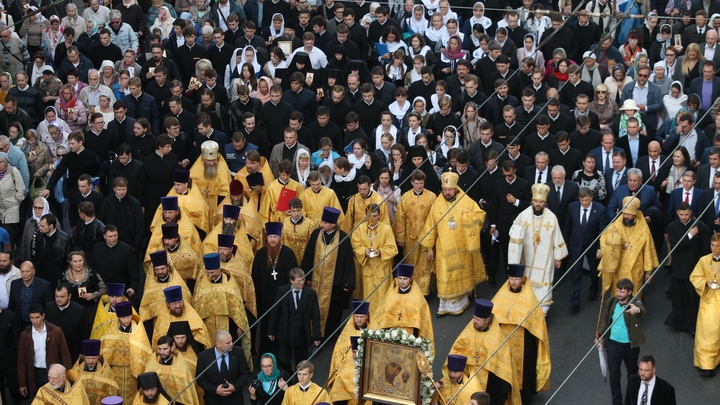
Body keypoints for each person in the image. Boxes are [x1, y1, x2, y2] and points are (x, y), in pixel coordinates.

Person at [421, 171, 485, 315]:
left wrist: (469, 218)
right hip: (443, 247)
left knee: (461, 273)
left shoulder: (465, 200)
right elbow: (431, 226)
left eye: (450, 190)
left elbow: (480, 214)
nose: (447, 192)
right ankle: (445, 306)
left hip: (463, 246)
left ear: (456, 188)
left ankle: (462, 299)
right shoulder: (437, 204)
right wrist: (429, 248)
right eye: (445, 190)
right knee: (445, 273)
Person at [491, 264, 551, 400]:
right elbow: (492, 315)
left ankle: (524, 396)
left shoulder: (529, 298)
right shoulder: (501, 296)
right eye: (511, 279)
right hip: (504, 340)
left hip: (524, 340)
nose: (513, 282)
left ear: (522, 279)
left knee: (525, 368)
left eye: (516, 279)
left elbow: (537, 321)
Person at [507, 183, 568, 314]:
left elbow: (557, 236)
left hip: (545, 259)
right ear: (532, 201)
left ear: (545, 203)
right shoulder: (523, 216)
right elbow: (513, 232)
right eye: (535, 201)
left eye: (541, 201)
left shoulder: (552, 217)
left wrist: (558, 257)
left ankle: (542, 312)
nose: (538, 204)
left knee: (544, 280)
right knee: (526, 281)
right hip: (526, 257)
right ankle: (526, 309)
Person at [447, 299, 519, 404]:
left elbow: (503, 363)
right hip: (469, 378)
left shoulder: (496, 338)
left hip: (490, 381)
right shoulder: (467, 333)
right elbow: (456, 352)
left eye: (477, 319)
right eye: (474, 318)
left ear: (487, 320)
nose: (474, 321)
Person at [301, 207, 356, 338]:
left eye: (325, 223)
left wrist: (347, 282)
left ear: (333, 224)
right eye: (322, 222)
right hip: (315, 281)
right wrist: (307, 275)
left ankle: (330, 335)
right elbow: (308, 255)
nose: (322, 225)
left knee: (334, 311)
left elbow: (348, 261)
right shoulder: (316, 234)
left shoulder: (343, 238)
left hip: (334, 284)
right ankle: (313, 334)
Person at [194, 252, 252, 365]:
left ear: (219, 269)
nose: (210, 275)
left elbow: (237, 308)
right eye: (208, 272)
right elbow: (197, 307)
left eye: (212, 272)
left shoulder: (230, 284)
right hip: (209, 324)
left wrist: (240, 326)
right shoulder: (202, 284)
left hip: (228, 324)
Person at [597, 278, 646, 405]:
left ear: (629, 292)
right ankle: (617, 401)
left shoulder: (635, 302)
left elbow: (642, 310)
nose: (619, 294)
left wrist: (637, 310)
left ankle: (631, 400)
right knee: (614, 375)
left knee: (632, 374)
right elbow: (605, 318)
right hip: (613, 345)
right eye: (618, 290)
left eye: (622, 292)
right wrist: (600, 335)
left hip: (630, 345)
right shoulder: (611, 301)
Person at [251, 222, 297, 357]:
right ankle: (265, 358)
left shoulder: (288, 254)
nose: (272, 240)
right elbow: (255, 278)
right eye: (270, 237)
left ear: (280, 237)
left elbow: (293, 279)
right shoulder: (260, 254)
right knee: (265, 329)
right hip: (265, 301)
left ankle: (281, 359)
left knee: (281, 330)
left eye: (275, 237)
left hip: (282, 302)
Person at [598, 196, 659, 298]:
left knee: (634, 293)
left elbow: (648, 249)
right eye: (624, 213)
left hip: (636, 267)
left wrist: (648, 271)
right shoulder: (615, 226)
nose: (626, 216)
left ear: (634, 214)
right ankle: (618, 313)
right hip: (618, 266)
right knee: (618, 293)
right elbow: (604, 239)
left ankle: (633, 313)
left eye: (629, 214)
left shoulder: (643, 229)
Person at [268, 267, 321, 372]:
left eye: (303, 279)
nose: (302, 283)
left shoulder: (310, 293)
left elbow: (316, 316)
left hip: (301, 335)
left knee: (301, 363)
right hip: (285, 333)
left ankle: (297, 381)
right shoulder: (282, 291)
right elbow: (274, 311)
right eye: (298, 281)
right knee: (282, 359)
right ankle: (289, 374)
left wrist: (317, 336)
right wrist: (271, 331)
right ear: (291, 280)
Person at [100, 301, 154, 403]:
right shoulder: (112, 329)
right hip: (116, 370)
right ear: (118, 317)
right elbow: (106, 346)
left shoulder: (138, 330)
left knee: (132, 396)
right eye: (123, 317)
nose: (126, 320)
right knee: (117, 393)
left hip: (132, 370)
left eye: (129, 316)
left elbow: (144, 350)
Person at [564, 188, 608, 311]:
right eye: (582, 200)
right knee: (576, 272)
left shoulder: (600, 209)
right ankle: (575, 301)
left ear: (591, 198)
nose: (584, 203)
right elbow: (567, 225)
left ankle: (593, 289)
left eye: (586, 200)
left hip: (592, 245)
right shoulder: (572, 207)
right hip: (576, 244)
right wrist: (565, 242)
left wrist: (600, 248)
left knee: (594, 270)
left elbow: (602, 230)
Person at [17, 303, 72, 398]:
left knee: (56, 399)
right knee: (39, 399)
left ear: (43, 316)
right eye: (32, 318)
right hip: (36, 373)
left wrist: (68, 377)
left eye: (37, 317)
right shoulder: (25, 335)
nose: (34, 321)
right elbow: (21, 360)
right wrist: (22, 383)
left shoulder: (56, 331)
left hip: (54, 372)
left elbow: (65, 354)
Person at [350, 204, 398, 311]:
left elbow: (393, 248)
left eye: (375, 216)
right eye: (369, 216)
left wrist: (380, 251)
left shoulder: (386, 229)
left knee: (383, 295)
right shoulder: (359, 229)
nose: (372, 219)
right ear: (366, 215)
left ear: (380, 216)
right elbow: (355, 245)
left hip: (382, 268)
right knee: (368, 296)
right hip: (367, 267)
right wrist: (364, 251)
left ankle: (383, 320)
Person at [373, 263, 434, 344]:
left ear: (411, 279)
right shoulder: (390, 295)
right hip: (391, 333)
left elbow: (423, 320)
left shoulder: (417, 297)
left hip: (411, 335)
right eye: (400, 278)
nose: (402, 282)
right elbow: (382, 316)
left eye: (405, 279)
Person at [328, 300, 371, 405]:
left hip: (368, 367)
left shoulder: (374, 331)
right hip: (348, 367)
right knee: (340, 378)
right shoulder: (347, 332)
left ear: (367, 317)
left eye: (362, 317)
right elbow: (338, 354)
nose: (359, 320)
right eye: (357, 317)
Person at [690, 233, 720, 377]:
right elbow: (695, 276)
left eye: (718, 246)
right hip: (708, 300)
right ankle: (706, 365)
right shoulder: (704, 260)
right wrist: (706, 283)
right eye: (712, 246)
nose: (715, 249)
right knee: (707, 333)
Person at [195, 330, 253, 405]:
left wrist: (235, 387)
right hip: (213, 401)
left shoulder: (238, 352)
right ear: (218, 344)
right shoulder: (204, 356)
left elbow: (245, 372)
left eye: (231, 341)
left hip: (235, 400)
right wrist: (215, 389)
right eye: (228, 343)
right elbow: (200, 378)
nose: (232, 344)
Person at [153, 285, 211, 353]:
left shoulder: (191, 315)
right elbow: (158, 341)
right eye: (174, 304)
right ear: (168, 304)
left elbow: (202, 335)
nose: (178, 306)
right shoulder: (162, 320)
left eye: (180, 302)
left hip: (191, 354)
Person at [143, 335, 200, 405]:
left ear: (172, 348)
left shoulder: (180, 365)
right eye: (160, 349)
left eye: (165, 349)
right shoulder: (153, 364)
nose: (162, 352)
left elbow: (186, 389)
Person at [44, 283, 85, 363]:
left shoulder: (79, 310)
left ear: (69, 296)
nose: (58, 299)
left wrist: (82, 352)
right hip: (53, 350)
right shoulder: (49, 307)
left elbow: (84, 333)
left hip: (72, 351)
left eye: (62, 297)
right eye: (56, 296)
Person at [71, 339, 119, 404]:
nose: (90, 361)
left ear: (98, 357)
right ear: (84, 357)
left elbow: (113, 390)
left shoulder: (106, 372)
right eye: (88, 358)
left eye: (93, 358)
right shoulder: (76, 370)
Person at [7, 261, 53, 329]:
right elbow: (11, 305)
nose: (25, 274)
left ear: (33, 271)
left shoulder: (44, 285)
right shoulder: (14, 284)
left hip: (38, 324)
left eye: (27, 271)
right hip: (19, 324)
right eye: (22, 271)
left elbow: (48, 308)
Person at [189, 140, 231, 209]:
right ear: (203, 159)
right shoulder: (195, 171)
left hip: (218, 204)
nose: (212, 163)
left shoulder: (223, 170)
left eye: (214, 160)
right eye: (209, 161)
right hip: (200, 203)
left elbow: (225, 192)